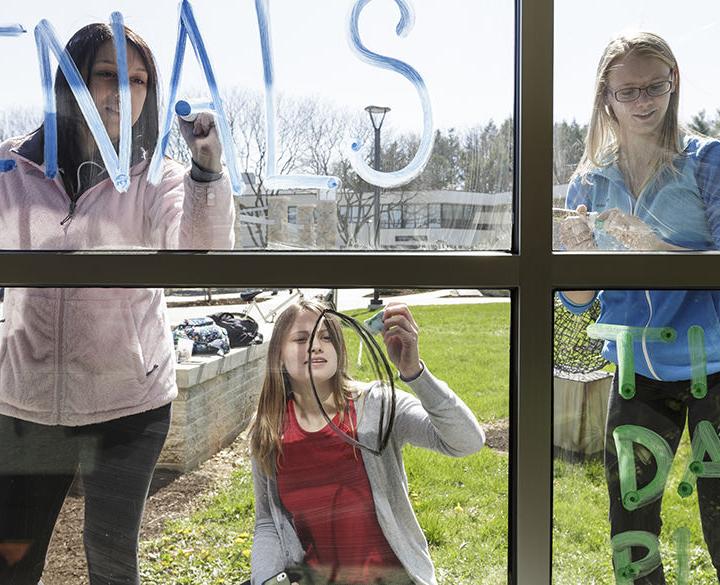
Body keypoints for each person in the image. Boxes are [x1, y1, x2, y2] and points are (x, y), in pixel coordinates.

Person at [0, 22, 235, 585]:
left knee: (111, 561)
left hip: (129, 405)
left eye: (138, 80)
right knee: (11, 560)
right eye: (107, 75)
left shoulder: (157, 180)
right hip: (25, 404)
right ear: (72, 81)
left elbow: (199, 250)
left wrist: (206, 170)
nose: (122, 93)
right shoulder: (13, 170)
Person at [558, 32, 720, 584]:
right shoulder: (590, 179)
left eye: (655, 86)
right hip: (638, 375)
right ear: (606, 95)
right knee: (631, 532)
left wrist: (657, 247)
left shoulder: (708, 161)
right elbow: (579, 302)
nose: (644, 101)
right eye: (628, 91)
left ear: (674, 80)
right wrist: (576, 256)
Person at [248, 300, 484, 585]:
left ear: (338, 349)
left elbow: (466, 441)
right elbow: (268, 522)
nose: (315, 346)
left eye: (326, 336)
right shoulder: (269, 430)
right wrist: (267, 580)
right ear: (278, 356)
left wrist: (415, 374)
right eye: (301, 338)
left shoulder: (377, 404)